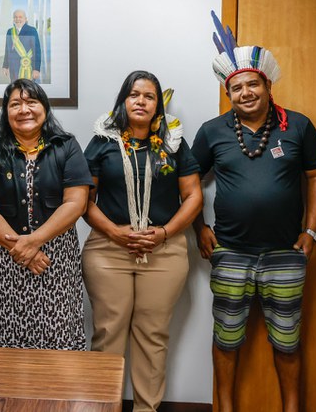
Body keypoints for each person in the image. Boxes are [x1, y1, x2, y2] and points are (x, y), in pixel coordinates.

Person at [192, 14, 316, 412]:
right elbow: (188, 181)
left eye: (253, 84)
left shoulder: (298, 126)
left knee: (287, 341)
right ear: (228, 93)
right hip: (230, 252)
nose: (246, 92)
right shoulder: (212, 131)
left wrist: (311, 232)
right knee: (226, 338)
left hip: (286, 253)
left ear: (268, 86)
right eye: (237, 87)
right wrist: (199, 227)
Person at [82, 71, 202, 411]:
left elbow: (193, 196)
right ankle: (103, 407)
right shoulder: (103, 140)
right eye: (134, 95)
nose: (141, 101)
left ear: (158, 106)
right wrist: (114, 232)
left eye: (149, 96)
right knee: (109, 332)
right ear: (123, 101)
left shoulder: (173, 142)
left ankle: (147, 408)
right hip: (108, 248)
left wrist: (164, 232)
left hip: (163, 249)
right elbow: (83, 200)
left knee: (153, 334)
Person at [0, 78, 92, 350]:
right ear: (6, 112)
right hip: (6, 260)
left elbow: (76, 203)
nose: (24, 109)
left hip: (55, 261)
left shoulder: (67, 146)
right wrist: (22, 249)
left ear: (45, 108)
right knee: (6, 339)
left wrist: (34, 242)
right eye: (15, 104)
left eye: (31, 102)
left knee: (58, 337)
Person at [2, 9, 42, 82]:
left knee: (28, 87)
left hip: (28, 67)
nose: (18, 19)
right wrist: (5, 66)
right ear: (13, 19)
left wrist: (36, 69)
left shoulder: (32, 30)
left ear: (25, 19)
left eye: (20, 17)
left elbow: (37, 51)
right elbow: (7, 50)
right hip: (13, 68)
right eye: (15, 17)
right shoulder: (10, 31)